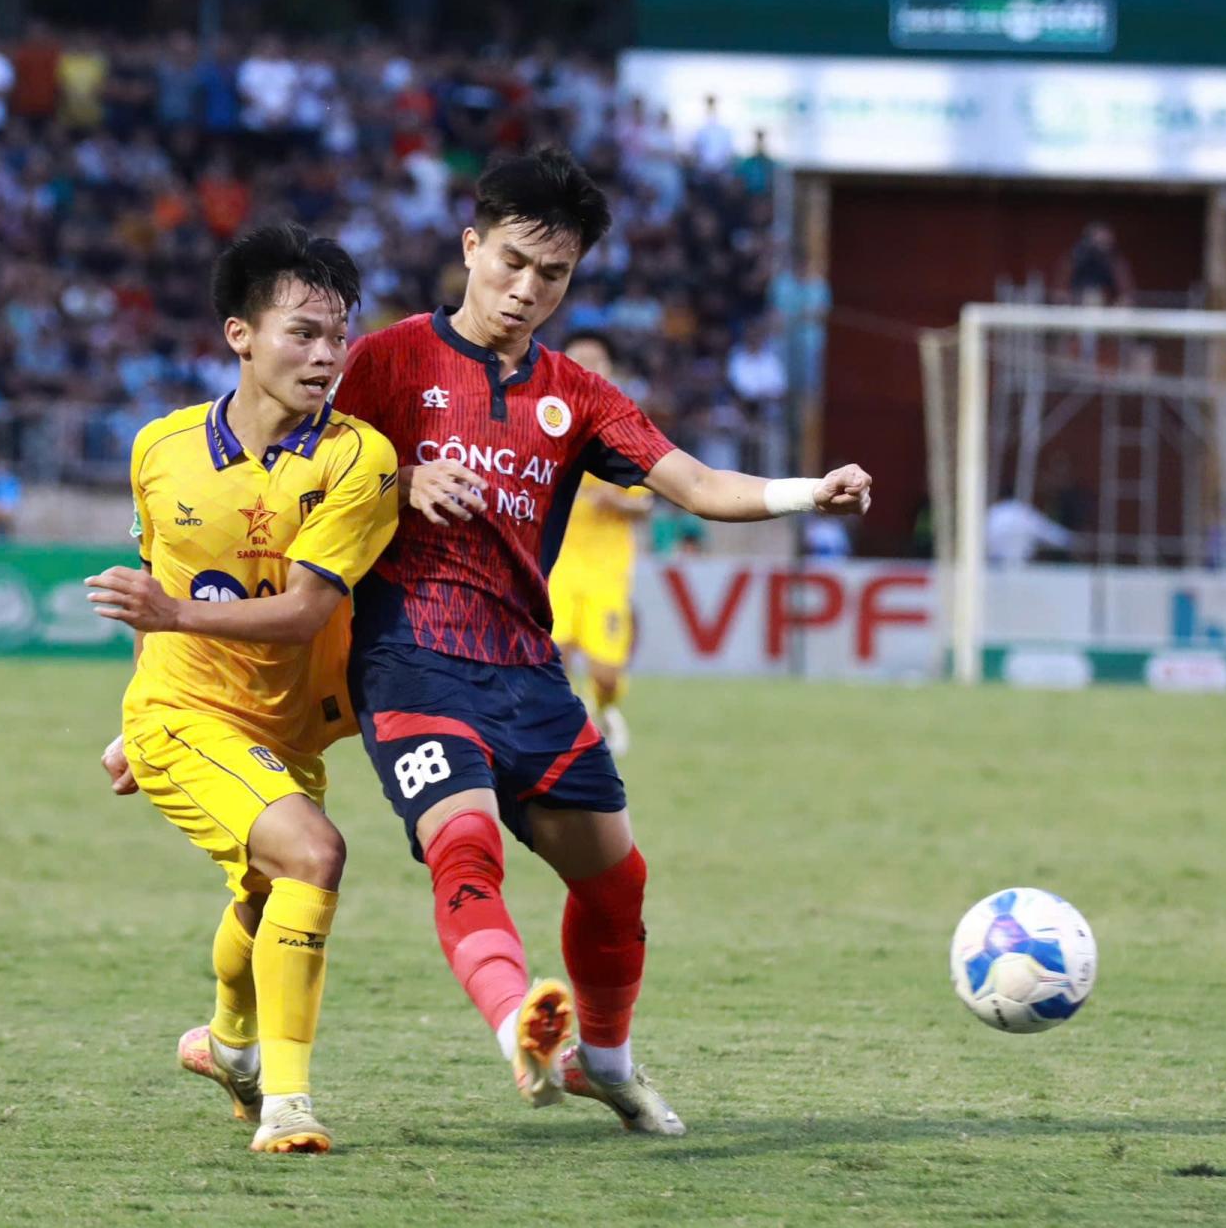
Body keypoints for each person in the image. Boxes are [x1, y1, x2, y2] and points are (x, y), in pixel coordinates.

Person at [331, 148, 871, 1135]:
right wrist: (397, 481)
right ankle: (521, 1028)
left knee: (618, 883)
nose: (526, 289)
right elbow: (302, 473)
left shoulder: (578, 395)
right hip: (410, 660)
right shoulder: (387, 360)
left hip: (527, 676)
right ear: (471, 247)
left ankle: (606, 1062)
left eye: (554, 274)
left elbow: (696, 484)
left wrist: (807, 491)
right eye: (512, 262)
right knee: (463, 846)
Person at [84, 225, 397, 1155]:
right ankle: (287, 1102)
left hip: (285, 728)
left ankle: (226, 1042)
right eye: (303, 332)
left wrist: (171, 615)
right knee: (314, 853)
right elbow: (159, 585)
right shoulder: (160, 448)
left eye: (338, 336)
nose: (326, 355)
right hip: (180, 714)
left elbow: (303, 614)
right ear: (240, 335)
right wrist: (135, 715)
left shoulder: (359, 458)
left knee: (266, 896)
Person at [545, 330, 653, 757]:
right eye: (579, 359)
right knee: (554, 655)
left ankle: (605, 707)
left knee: (607, 673)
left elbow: (646, 505)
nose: (587, 368)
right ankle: (563, 734)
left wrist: (617, 502)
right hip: (557, 564)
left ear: (610, 370)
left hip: (608, 570)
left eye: (596, 360)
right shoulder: (544, 420)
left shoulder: (624, 428)